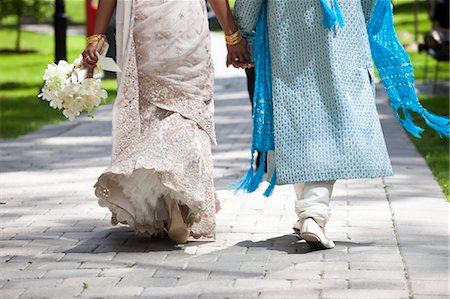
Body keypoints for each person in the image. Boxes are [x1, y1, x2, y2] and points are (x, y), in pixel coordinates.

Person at [232, 0, 449, 249]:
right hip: (341, 37)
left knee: (296, 123)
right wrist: (361, 22)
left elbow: (248, 7)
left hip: (288, 40)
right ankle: (313, 213)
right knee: (332, 124)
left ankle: (310, 210)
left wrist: (240, 33)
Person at [83, 0, 250, 244]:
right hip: (185, 25)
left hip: (145, 26)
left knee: (151, 115)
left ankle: (170, 200)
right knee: (190, 112)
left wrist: (96, 37)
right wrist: (232, 35)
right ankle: (179, 202)